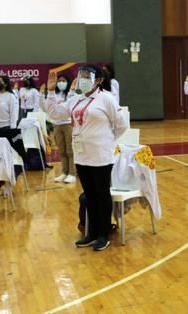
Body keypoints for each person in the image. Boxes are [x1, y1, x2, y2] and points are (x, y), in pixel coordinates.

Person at [43, 65, 128, 251]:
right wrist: (50, 92)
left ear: (98, 80)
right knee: (89, 196)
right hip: (82, 156)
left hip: (100, 156)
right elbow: (55, 113)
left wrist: (107, 140)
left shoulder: (106, 99)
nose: (82, 79)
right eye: (80, 75)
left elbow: (122, 124)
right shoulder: (76, 99)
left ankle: (104, 233)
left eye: (87, 76)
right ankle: (92, 232)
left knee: (102, 195)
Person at [42, 73, 77, 183]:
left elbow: (72, 108)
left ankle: (72, 173)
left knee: (70, 150)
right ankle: (64, 172)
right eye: (60, 81)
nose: (62, 83)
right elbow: (47, 109)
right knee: (61, 150)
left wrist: (72, 91)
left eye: (64, 81)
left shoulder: (71, 94)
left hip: (68, 124)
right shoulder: (54, 95)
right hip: (57, 124)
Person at [0, 75, 25, 160]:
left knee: (10, 152)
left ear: (6, 84)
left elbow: (14, 113)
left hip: (7, 128)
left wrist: (13, 129)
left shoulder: (10, 96)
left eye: (0, 81)